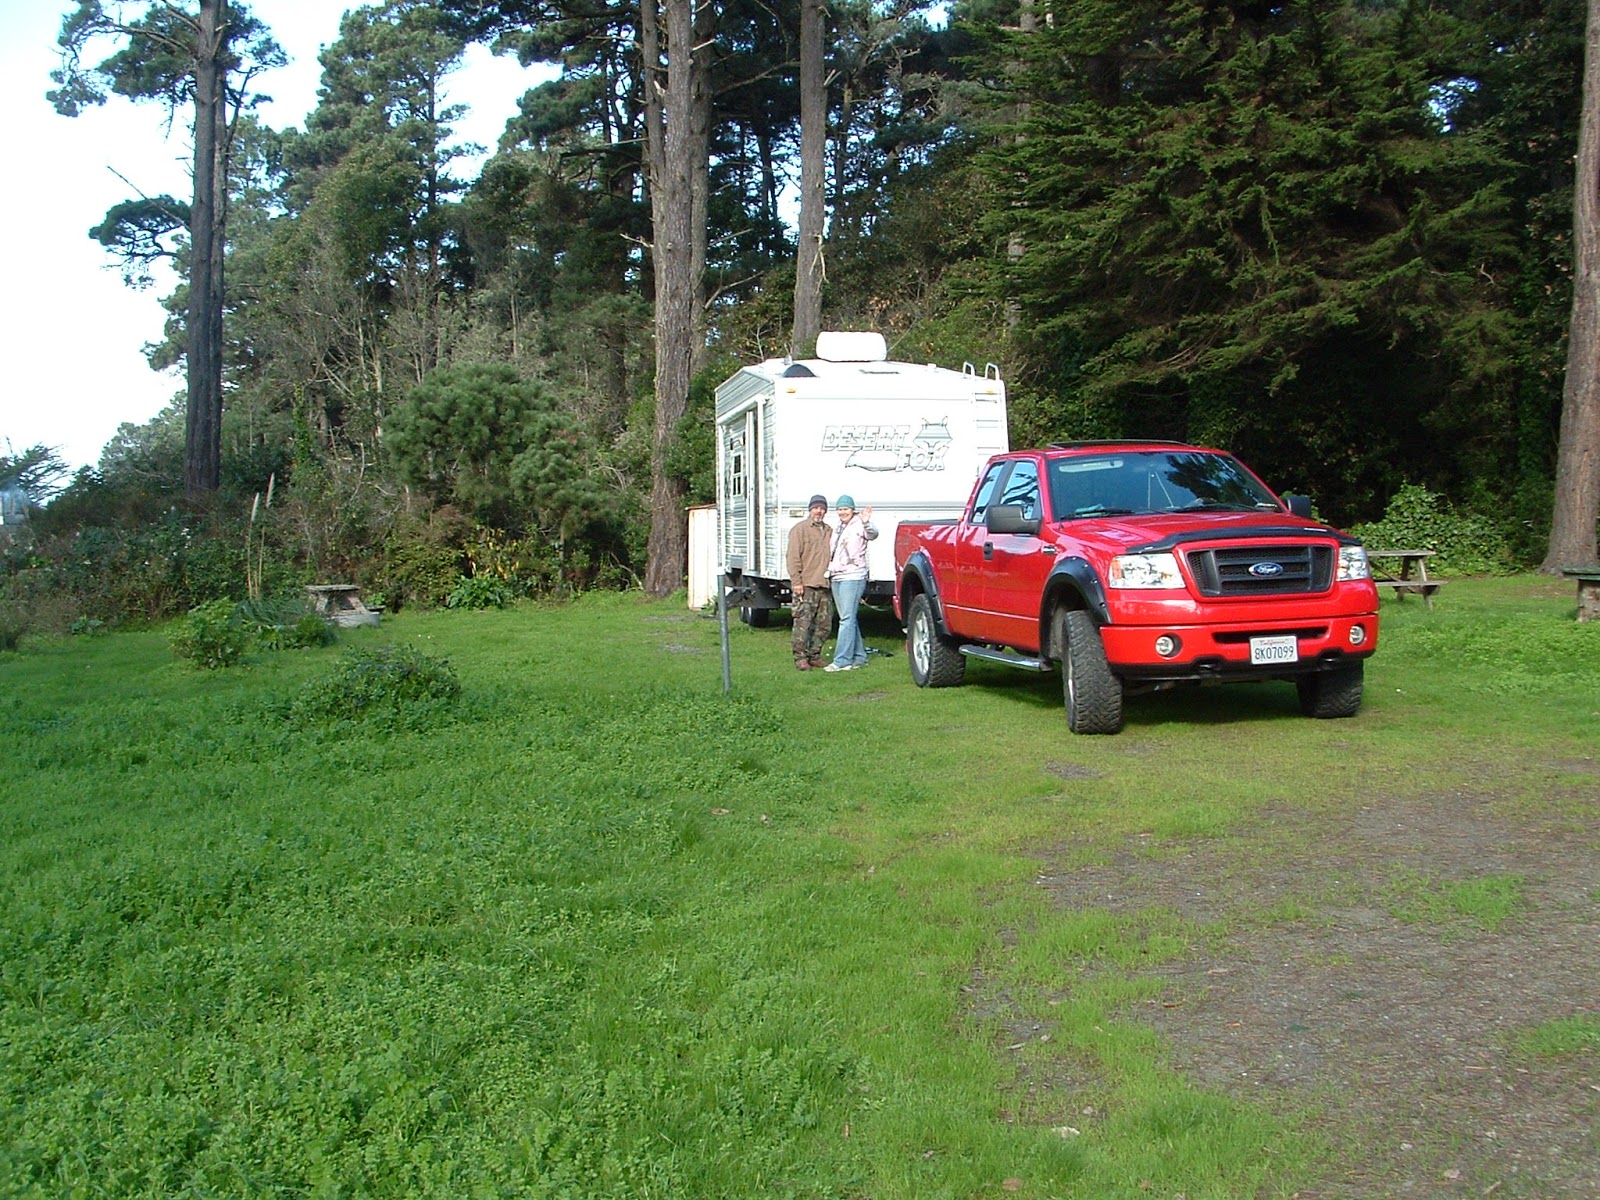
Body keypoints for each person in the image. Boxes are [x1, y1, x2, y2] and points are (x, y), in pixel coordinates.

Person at [824, 494, 877, 672]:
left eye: (845, 509)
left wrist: (867, 522)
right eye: (840, 509)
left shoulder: (860, 524)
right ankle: (859, 657)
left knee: (846, 619)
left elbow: (873, 534)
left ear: (852, 510)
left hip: (853, 576)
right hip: (836, 576)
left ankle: (842, 660)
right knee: (848, 618)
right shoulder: (838, 527)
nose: (842, 512)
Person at [787, 493, 833, 670]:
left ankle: (815, 655)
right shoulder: (799, 530)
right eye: (816, 508)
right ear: (810, 509)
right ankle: (800, 658)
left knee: (824, 625)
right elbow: (793, 557)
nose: (819, 511)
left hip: (824, 586)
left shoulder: (829, 531)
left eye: (822, 508)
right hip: (806, 585)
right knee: (802, 624)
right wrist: (796, 582)